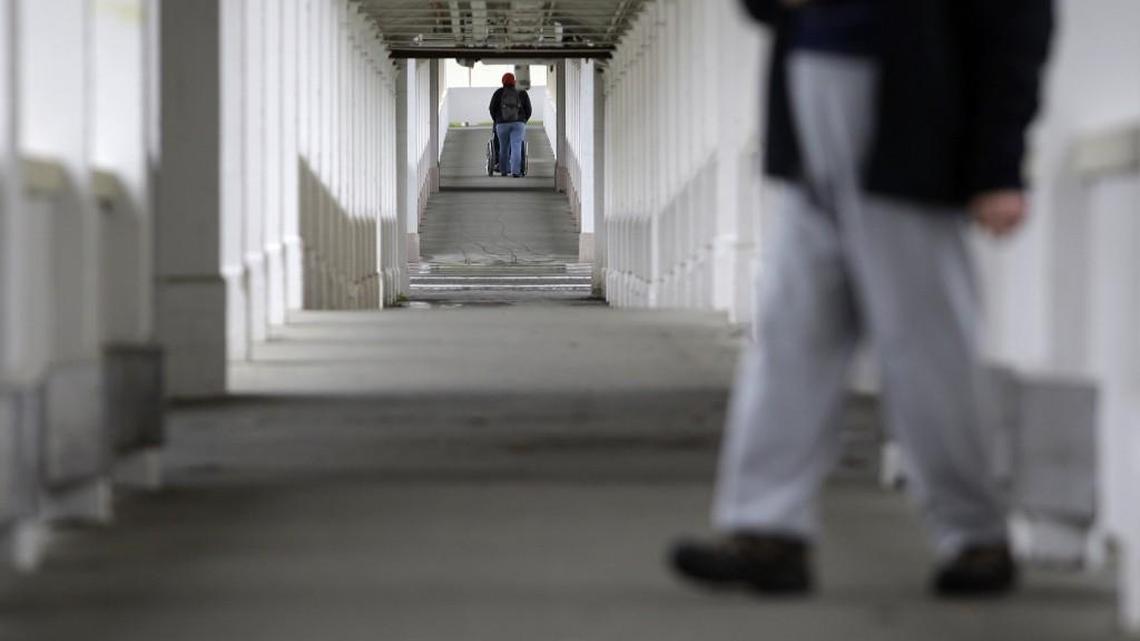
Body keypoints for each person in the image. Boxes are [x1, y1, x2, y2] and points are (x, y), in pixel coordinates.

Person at [670, 0, 1055, 597]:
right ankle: (768, 530)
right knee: (791, 335)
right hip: (808, 101)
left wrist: (999, 162)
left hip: (908, 112)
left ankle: (976, 536)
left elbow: (1016, 21)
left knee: (925, 346)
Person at [489, 72, 533, 178]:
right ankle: (515, 171)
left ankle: (504, 171)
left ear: (503, 81)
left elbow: (492, 108)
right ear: (514, 81)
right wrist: (523, 120)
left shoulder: (498, 93)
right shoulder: (522, 92)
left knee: (503, 148)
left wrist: (497, 120)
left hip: (501, 124)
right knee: (516, 146)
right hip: (518, 123)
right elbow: (529, 109)